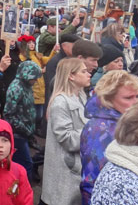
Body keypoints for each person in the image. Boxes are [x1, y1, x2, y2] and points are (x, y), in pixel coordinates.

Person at [79, 70, 138, 205]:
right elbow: (92, 180)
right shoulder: (101, 131)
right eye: (128, 98)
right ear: (107, 99)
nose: (136, 102)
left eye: (136, 97)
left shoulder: (122, 121)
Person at [41, 58, 90, 205]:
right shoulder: (60, 102)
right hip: (65, 171)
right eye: (84, 71)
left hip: (76, 169)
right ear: (71, 76)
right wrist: (93, 133)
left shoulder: (81, 96)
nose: (89, 74)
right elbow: (67, 139)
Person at [2, 60, 42, 181]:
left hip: (25, 132)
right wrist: (25, 130)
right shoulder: (16, 89)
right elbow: (8, 115)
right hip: (17, 134)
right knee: (25, 164)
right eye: (33, 78)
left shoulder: (27, 86)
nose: (35, 81)